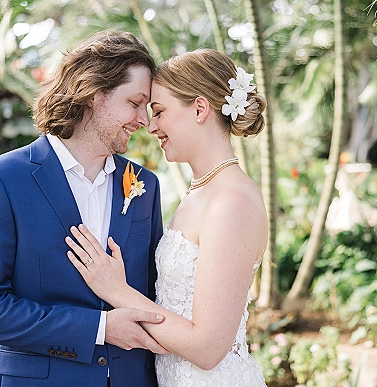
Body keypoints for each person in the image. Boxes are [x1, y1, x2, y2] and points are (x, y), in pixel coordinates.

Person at [0, 31, 168, 387]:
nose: (144, 121)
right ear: (94, 94)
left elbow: (156, 290)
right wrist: (100, 328)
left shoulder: (144, 186)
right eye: (135, 103)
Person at [65, 48, 269, 386]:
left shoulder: (232, 201)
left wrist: (116, 290)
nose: (151, 125)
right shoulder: (199, 192)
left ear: (200, 108)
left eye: (159, 111)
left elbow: (207, 347)